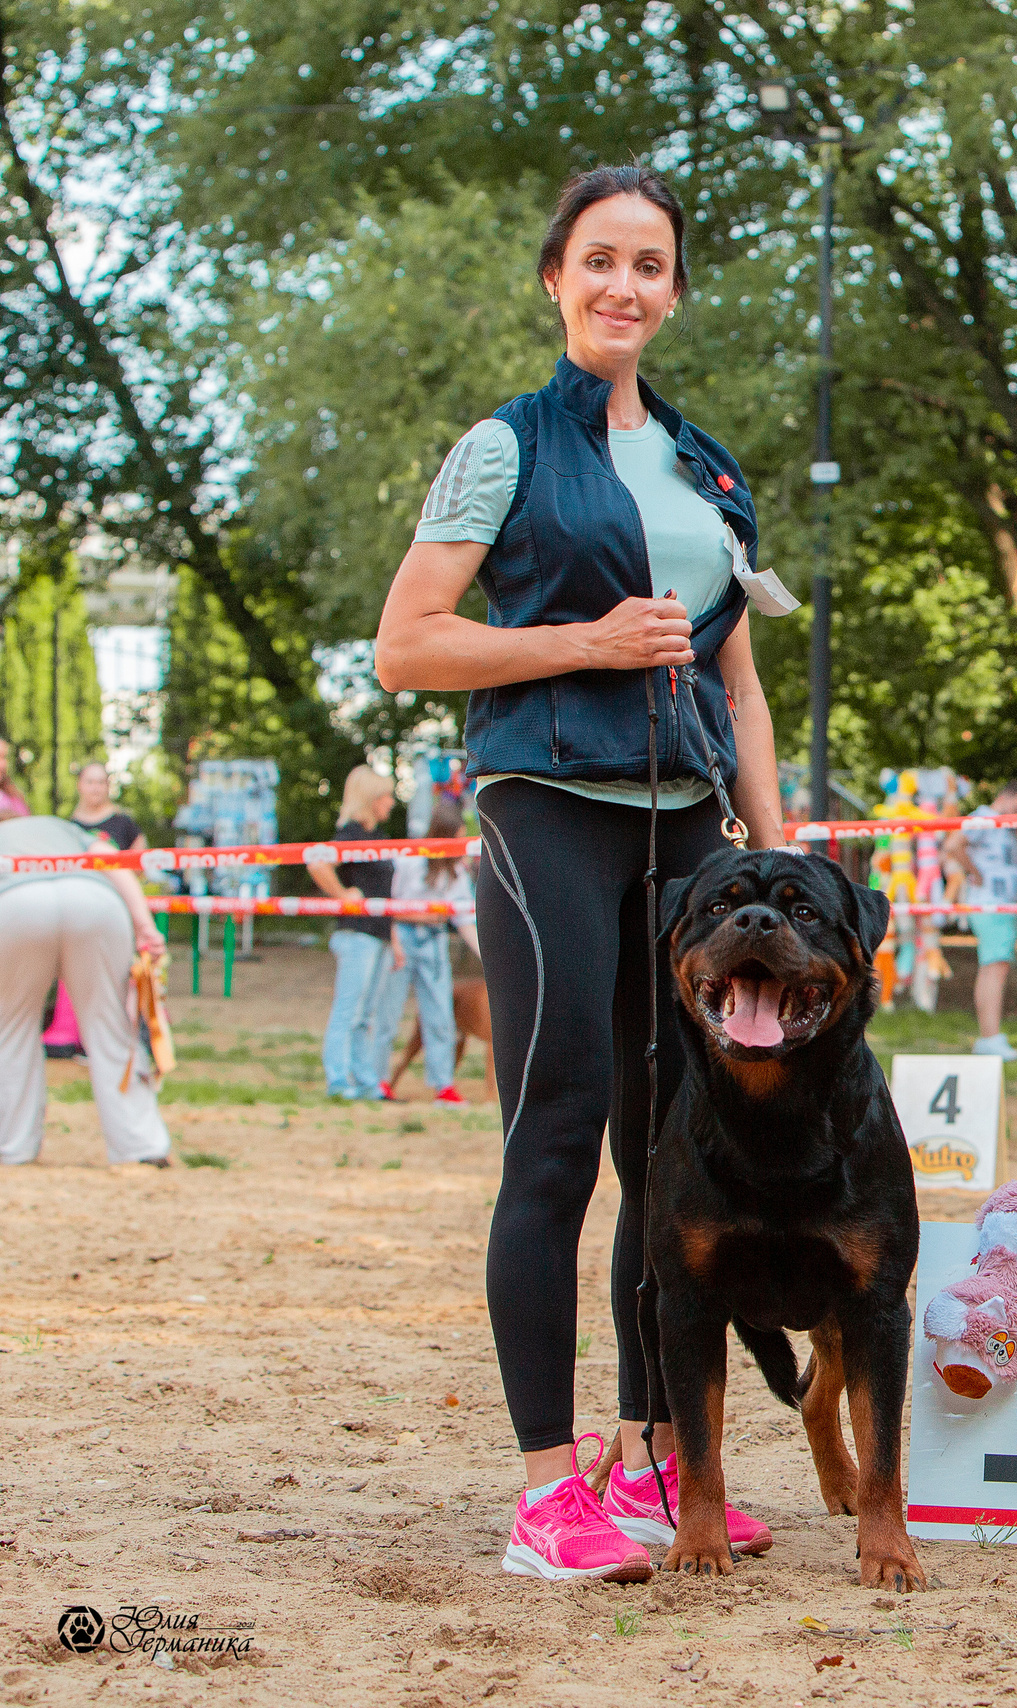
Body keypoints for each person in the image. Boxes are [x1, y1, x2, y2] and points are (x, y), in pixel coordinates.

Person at [374, 164, 789, 1583]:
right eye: (599, 260)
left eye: (651, 265)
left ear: (676, 291)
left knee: (671, 1152)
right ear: (557, 277)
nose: (625, 285)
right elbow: (409, 646)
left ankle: (655, 1457)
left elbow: (738, 677)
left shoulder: (706, 464)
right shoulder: (502, 448)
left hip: (689, 833)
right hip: (547, 805)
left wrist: (775, 849)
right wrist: (584, 643)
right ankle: (546, 1488)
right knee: (557, 1128)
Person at [0, 816, 170, 1165]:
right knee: (112, 1026)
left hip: (15, 901)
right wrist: (145, 925)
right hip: (94, 899)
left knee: (11, 1030)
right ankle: (141, 1148)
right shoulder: (68, 829)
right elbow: (115, 864)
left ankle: (12, 1147)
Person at [306, 765, 406, 1102]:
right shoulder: (350, 834)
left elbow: (385, 894)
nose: (391, 803)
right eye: (386, 796)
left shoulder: (377, 837)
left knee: (366, 1014)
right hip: (357, 935)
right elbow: (317, 864)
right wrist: (342, 896)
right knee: (348, 1011)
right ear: (371, 799)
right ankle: (337, 1079)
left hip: (378, 935)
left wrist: (394, 939)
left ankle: (364, 1081)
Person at [45, 763, 147, 1060]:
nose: (96, 788)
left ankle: (119, 1037)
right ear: (80, 785)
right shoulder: (67, 827)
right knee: (73, 974)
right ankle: (70, 1036)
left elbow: (139, 865)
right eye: (90, 782)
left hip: (115, 911)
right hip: (76, 914)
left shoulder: (125, 824)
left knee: (117, 973)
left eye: (101, 782)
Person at [385, 798, 477, 1105]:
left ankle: (443, 1086)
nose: (463, 844)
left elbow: (464, 919)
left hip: (435, 942)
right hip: (403, 938)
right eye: (459, 836)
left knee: (440, 1015)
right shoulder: (412, 860)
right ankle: (378, 1080)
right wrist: (413, 923)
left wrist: (489, 959)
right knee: (389, 1011)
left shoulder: (457, 873)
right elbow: (392, 906)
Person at [946, 780, 1017, 1059]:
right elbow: (954, 844)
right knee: (994, 968)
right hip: (990, 904)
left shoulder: (1006, 826)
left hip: (1003, 905)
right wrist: (976, 873)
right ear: (1010, 797)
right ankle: (990, 1036)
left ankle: (990, 1036)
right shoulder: (983, 817)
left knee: (996, 967)